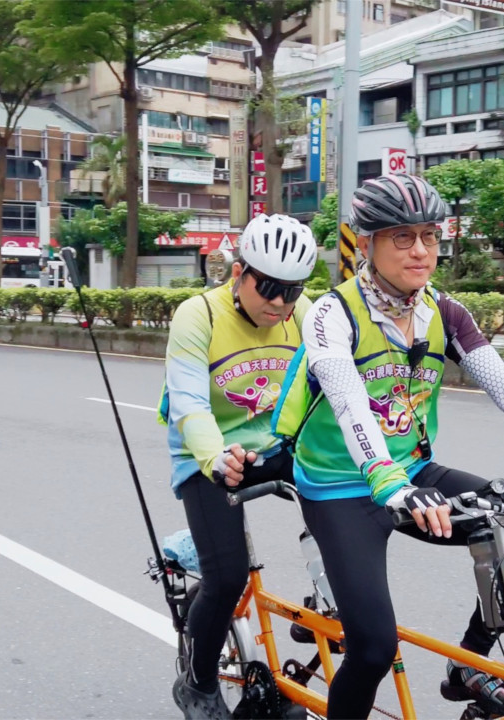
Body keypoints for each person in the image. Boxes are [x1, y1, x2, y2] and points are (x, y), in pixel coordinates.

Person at [274, 175, 504, 719]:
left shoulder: (445, 312)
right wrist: (385, 478)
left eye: (429, 236)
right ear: (366, 242)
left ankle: (469, 663)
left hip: (414, 475)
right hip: (340, 488)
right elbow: (349, 401)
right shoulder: (331, 314)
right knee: (372, 647)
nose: (420, 250)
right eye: (401, 237)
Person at [159, 214, 318, 720]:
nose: (279, 303)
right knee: (228, 578)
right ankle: (199, 684)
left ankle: (321, 609)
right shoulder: (197, 315)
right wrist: (214, 456)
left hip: (278, 445)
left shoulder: (305, 313)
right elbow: (188, 404)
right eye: (268, 287)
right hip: (209, 453)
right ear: (239, 273)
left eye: (291, 291)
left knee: (351, 509)